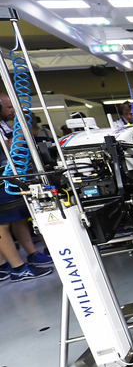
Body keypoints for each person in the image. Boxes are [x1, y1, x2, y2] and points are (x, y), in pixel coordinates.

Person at [0, 93, 53, 282]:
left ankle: (32, 254)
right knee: (2, 224)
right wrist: (20, 130)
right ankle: (18, 269)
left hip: (10, 175)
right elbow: (11, 146)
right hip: (1, 178)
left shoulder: (4, 124)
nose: (12, 111)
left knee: (20, 217)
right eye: (8, 108)